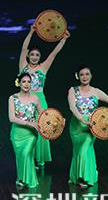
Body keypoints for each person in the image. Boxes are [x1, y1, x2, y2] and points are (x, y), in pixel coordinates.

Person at [18, 24, 70, 167]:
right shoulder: (23, 66)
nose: (34, 57)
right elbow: (23, 48)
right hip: (25, 101)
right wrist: (31, 32)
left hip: (40, 100)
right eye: (32, 54)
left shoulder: (43, 67)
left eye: (37, 55)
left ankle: (39, 157)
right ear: (28, 56)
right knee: (28, 129)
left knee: (42, 126)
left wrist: (63, 40)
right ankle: (29, 157)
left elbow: (53, 53)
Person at [68, 66, 108, 187]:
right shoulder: (73, 90)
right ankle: (78, 175)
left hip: (92, 127)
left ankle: (85, 178)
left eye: (87, 74)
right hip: (77, 126)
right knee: (78, 151)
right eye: (82, 74)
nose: (84, 77)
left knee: (84, 149)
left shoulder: (96, 91)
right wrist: (82, 120)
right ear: (78, 76)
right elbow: (72, 107)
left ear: (91, 76)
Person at [9, 73, 43, 188]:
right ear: (19, 83)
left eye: (29, 82)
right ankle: (22, 178)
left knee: (25, 154)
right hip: (17, 134)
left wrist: (57, 120)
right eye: (24, 81)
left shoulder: (35, 98)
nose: (26, 84)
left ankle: (26, 180)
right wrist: (29, 123)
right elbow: (12, 118)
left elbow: (44, 115)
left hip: (31, 134)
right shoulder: (12, 98)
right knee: (20, 156)